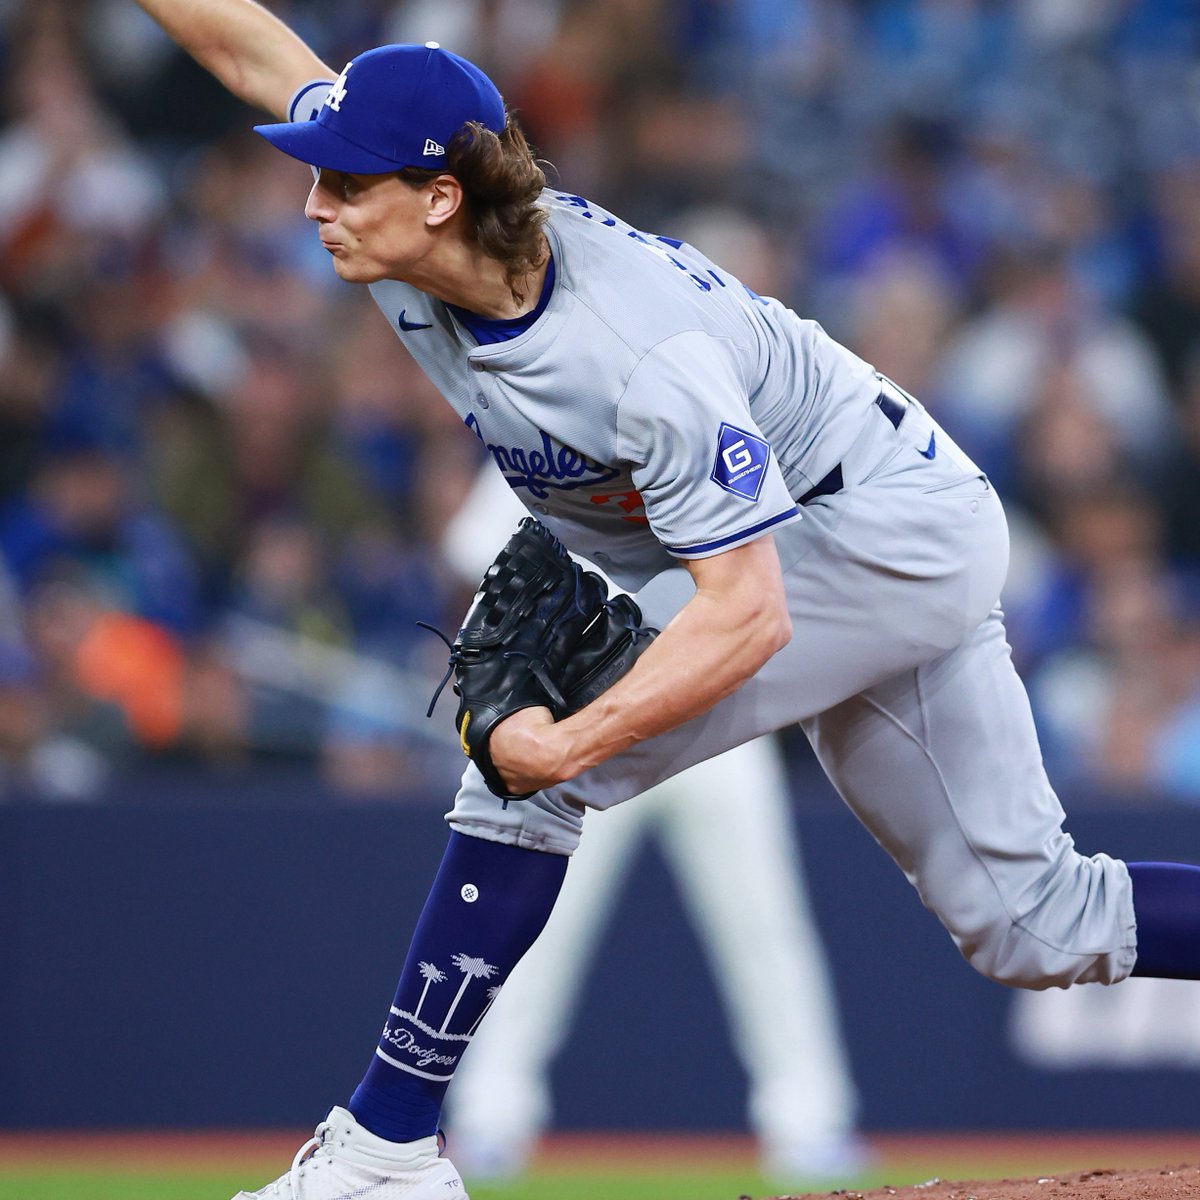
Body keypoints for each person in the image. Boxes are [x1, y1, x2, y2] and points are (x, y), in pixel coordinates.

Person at [132, 4, 1200, 1198]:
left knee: (528, 776)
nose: (314, 205)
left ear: (439, 194)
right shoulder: (422, 229)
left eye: (343, 184)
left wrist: (567, 744)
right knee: (1034, 921)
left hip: (872, 530)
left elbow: (749, 615)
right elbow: (251, 53)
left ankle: (383, 1151)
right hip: (854, 515)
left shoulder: (635, 355)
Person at [440, 467, 864, 1185]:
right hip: (590, 720)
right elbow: (470, 559)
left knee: (765, 928)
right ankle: (492, 1117)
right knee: (544, 927)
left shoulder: (710, 418)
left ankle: (809, 1123)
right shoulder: (549, 430)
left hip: (718, 715)